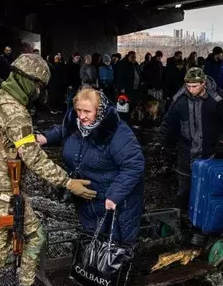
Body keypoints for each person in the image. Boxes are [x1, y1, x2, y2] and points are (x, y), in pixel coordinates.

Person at [0, 54, 96, 286]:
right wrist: (67, 182)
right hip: (1, 183)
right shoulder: (15, 112)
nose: (38, 91)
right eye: (38, 86)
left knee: (2, 231)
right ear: (28, 81)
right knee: (35, 236)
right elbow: (33, 157)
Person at [37, 87, 144, 244]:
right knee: (91, 242)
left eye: (87, 111)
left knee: (112, 249)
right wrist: (45, 137)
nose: (82, 116)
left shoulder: (117, 132)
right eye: (78, 110)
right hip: (87, 198)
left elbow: (134, 165)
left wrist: (114, 195)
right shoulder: (75, 125)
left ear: (99, 110)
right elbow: (64, 131)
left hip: (114, 201)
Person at [155, 67, 223, 213]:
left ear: (203, 83)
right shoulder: (180, 99)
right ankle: (181, 219)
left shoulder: (218, 99)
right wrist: (160, 141)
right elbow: (168, 122)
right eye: (188, 86)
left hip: (211, 151)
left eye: (194, 86)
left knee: (207, 190)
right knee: (184, 189)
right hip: (186, 151)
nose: (191, 90)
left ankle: (203, 224)